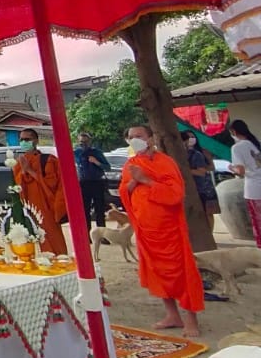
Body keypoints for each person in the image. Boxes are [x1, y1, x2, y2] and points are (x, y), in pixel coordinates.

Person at [119, 124, 203, 336]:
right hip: (146, 230)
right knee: (157, 274)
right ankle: (172, 315)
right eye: (131, 136)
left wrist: (146, 180)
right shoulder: (131, 164)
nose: (134, 139)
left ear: (150, 138)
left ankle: (191, 319)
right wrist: (133, 182)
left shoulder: (165, 162)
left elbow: (176, 194)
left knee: (182, 274)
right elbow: (124, 191)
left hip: (169, 230)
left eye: (139, 135)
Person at [228, 118, 261, 254]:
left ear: (233, 132)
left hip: (255, 190)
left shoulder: (237, 148)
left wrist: (231, 168)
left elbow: (240, 171)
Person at [12, 130, 67, 255]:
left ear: (36, 141)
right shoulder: (19, 162)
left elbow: (51, 184)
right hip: (28, 207)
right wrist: (23, 171)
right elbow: (17, 186)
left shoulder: (48, 160)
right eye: (21, 140)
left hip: (45, 206)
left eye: (27, 139)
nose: (24, 142)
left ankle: (58, 260)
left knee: (51, 235)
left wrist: (30, 170)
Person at [183, 131, 220, 235]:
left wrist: (198, 168)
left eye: (192, 137)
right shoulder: (184, 153)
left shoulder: (201, 152)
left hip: (205, 186)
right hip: (192, 186)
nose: (191, 139)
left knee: (208, 213)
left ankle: (210, 233)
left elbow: (211, 167)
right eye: (188, 137)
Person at [73, 131, 110, 229]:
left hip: (97, 182)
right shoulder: (76, 153)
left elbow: (108, 167)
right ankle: (87, 232)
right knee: (85, 209)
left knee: (99, 209)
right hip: (83, 183)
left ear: (90, 142)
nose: (83, 144)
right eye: (81, 142)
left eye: (86, 142)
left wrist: (96, 162)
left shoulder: (97, 152)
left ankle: (101, 232)